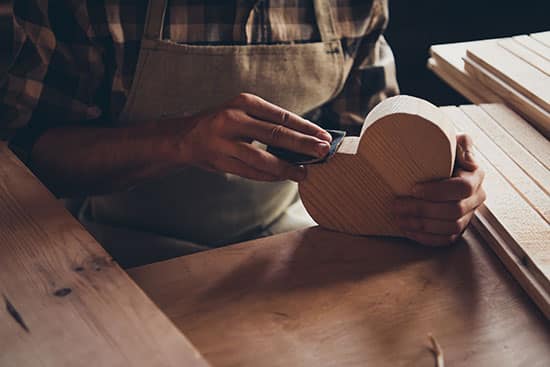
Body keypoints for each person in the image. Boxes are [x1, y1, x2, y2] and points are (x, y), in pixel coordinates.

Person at [0, 0, 485, 266]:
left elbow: (380, 143)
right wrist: (179, 141)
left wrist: (438, 191)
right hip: (117, 252)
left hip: (288, 247)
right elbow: (27, 155)